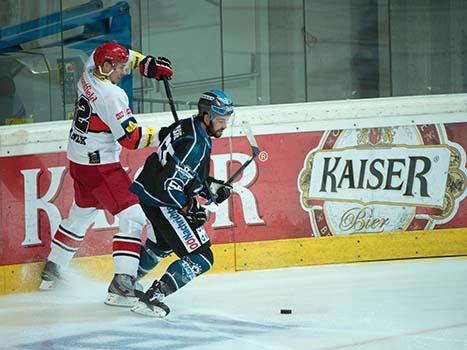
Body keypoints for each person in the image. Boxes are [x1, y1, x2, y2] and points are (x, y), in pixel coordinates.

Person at [39, 41, 173, 308]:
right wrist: (164, 135)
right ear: (107, 66)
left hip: (79, 161)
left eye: (125, 66)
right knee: (135, 217)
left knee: (80, 213)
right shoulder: (111, 95)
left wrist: (146, 63)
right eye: (120, 67)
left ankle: (53, 270)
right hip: (101, 167)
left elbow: (121, 53)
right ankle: (123, 283)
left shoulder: (90, 68)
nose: (124, 71)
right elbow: (132, 139)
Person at [128, 89, 235, 317]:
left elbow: (181, 170)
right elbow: (170, 184)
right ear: (206, 116)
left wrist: (210, 186)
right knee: (202, 257)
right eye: (220, 120)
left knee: (162, 245)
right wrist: (190, 208)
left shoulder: (189, 125)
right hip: (163, 201)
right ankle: (152, 298)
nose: (224, 125)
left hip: (151, 194)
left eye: (227, 119)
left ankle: (124, 284)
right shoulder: (197, 143)